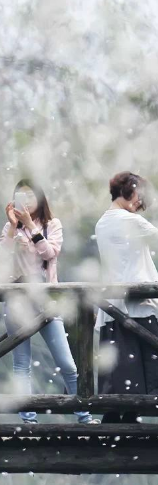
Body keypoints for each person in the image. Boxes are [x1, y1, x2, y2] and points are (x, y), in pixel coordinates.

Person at [0, 179, 95, 424]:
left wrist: (32, 228)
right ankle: (28, 419)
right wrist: (12, 227)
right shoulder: (11, 228)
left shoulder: (53, 225)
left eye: (30, 196)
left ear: (40, 198)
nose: (26, 201)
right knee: (21, 365)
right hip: (17, 300)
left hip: (47, 302)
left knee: (67, 363)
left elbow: (50, 253)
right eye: (21, 196)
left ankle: (83, 414)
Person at [95, 171, 158, 423]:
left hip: (113, 304)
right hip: (140, 302)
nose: (139, 203)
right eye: (138, 196)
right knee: (146, 360)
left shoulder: (101, 223)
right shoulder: (132, 222)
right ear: (127, 191)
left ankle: (116, 414)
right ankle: (132, 414)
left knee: (120, 364)